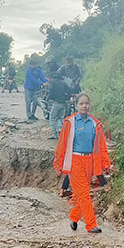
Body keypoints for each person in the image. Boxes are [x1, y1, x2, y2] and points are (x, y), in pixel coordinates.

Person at [53, 94, 112, 233]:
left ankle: (74, 216)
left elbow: (101, 146)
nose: (84, 106)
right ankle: (91, 225)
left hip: (90, 161)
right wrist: (58, 163)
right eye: (81, 103)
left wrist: (106, 164)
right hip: (75, 161)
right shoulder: (70, 122)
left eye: (86, 103)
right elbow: (62, 144)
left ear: (89, 105)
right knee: (84, 194)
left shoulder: (95, 123)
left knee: (81, 194)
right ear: (76, 105)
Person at [47, 75, 73, 140]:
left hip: (56, 103)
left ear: (53, 78)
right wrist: (66, 98)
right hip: (63, 103)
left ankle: (54, 134)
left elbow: (50, 93)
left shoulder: (53, 84)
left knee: (52, 118)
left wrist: (49, 98)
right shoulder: (64, 83)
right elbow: (69, 91)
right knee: (60, 118)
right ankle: (60, 131)